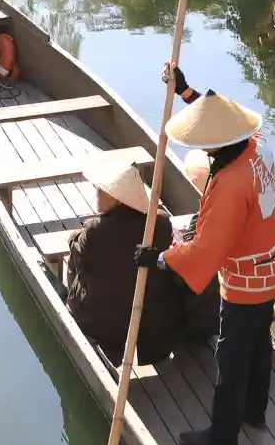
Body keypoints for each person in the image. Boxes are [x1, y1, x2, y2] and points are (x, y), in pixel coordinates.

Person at [135, 72, 275, 445]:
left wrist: (160, 259)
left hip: (247, 281)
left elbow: (206, 251)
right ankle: (255, 412)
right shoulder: (255, 147)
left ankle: (223, 435)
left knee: (232, 354)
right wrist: (186, 92)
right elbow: (219, 121)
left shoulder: (229, 185)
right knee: (259, 342)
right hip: (274, 265)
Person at [67, 151, 211, 365]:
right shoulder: (160, 223)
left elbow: (78, 249)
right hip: (149, 317)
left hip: (102, 320)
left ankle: (70, 304)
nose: (97, 193)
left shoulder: (95, 231)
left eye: (101, 191)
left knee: (78, 261)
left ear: (116, 198)